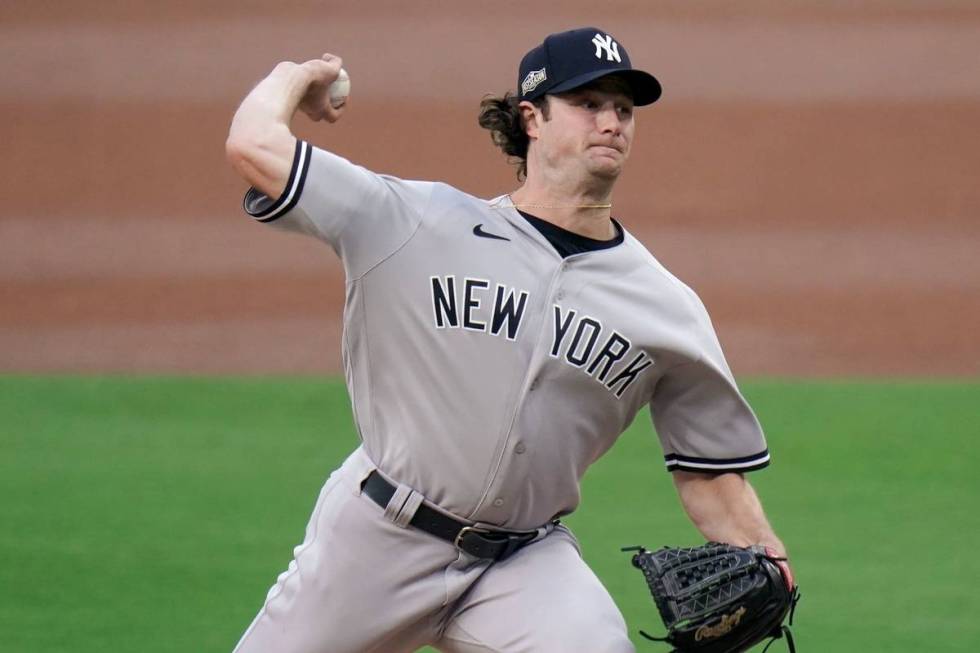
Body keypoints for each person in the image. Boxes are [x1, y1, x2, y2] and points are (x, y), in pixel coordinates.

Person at [225, 26, 793, 653]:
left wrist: (768, 556)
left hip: (522, 566)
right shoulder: (415, 222)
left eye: (624, 109)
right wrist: (293, 76)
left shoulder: (667, 307)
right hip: (376, 541)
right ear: (533, 119)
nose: (611, 122)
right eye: (588, 103)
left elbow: (710, 474)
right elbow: (254, 146)